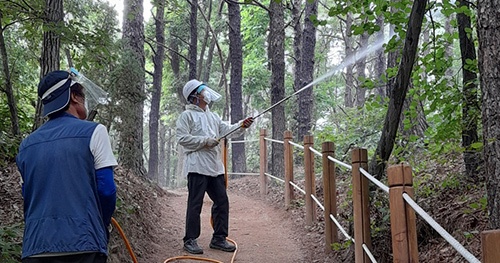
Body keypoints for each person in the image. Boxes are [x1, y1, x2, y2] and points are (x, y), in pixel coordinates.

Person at [16, 70, 118, 263]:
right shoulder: (95, 131)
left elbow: (27, 196)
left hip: (36, 247)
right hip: (84, 245)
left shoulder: (26, 146)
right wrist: (101, 224)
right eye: (83, 96)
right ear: (73, 96)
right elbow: (106, 189)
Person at [176, 79, 254, 254]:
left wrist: (242, 125)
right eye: (202, 90)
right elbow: (182, 139)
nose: (206, 92)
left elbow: (227, 130)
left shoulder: (213, 116)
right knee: (195, 204)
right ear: (194, 96)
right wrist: (204, 141)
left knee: (221, 201)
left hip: (214, 167)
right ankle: (190, 240)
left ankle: (219, 238)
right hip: (196, 166)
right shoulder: (186, 116)